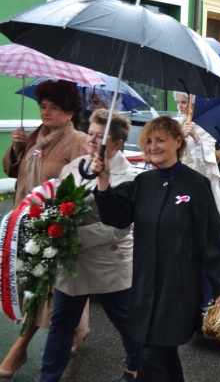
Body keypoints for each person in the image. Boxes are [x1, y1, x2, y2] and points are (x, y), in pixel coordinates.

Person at [90, 116, 220, 381]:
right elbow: (116, 216)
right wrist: (103, 180)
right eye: (148, 141)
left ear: (178, 142)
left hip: (178, 288)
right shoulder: (143, 182)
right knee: (162, 353)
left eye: (160, 140)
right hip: (145, 287)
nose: (153, 146)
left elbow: (210, 239)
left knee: (151, 355)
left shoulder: (196, 184)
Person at [39, 110, 142, 382]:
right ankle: (48, 378)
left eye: (100, 137)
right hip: (73, 263)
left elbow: (119, 228)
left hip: (108, 262)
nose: (92, 140)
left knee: (125, 321)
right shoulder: (76, 165)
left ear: (117, 144)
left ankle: (137, 367)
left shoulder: (127, 177)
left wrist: (71, 235)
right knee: (61, 324)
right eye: (90, 134)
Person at [0, 80, 89, 379]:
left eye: (54, 107)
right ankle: (80, 328)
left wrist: (61, 218)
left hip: (54, 229)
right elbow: (13, 171)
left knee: (46, 287)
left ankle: (19, 348)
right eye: (43, 106)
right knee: (55, 286)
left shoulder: (78, 141)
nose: (46, 112)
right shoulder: (33, 136)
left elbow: (82, 188)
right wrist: (16, 148)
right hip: (24, 224)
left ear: (69, 111)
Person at [174, 91, 220, 226]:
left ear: (193, 104)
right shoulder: (177, 124)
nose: (180, 106)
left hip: (200, 180)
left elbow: (208, 161)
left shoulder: (206, 125)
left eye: (184, 102)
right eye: (178, 102)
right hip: (180, 180)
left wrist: (195, 136)